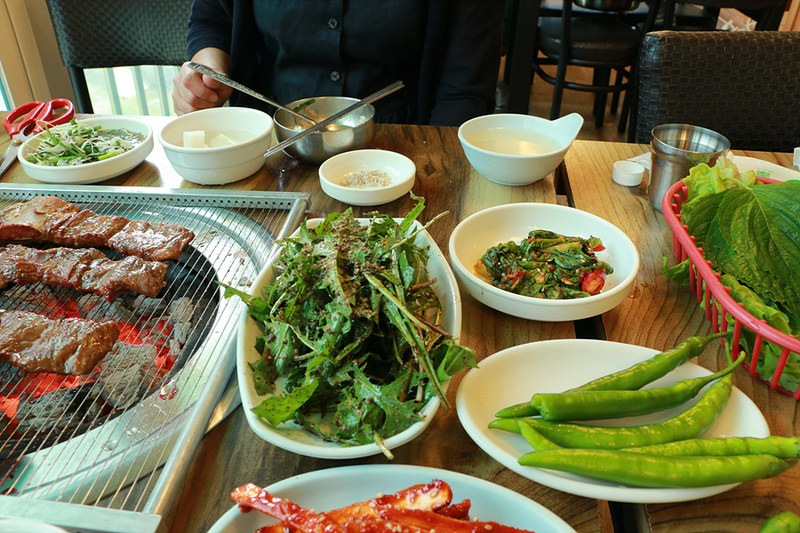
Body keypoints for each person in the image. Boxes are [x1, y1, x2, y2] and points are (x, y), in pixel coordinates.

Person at [172, 0, 505, 127]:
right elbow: (213, 18)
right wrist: (209, 73)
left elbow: (463, 92)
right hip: (267, 141)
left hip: (405, 142)